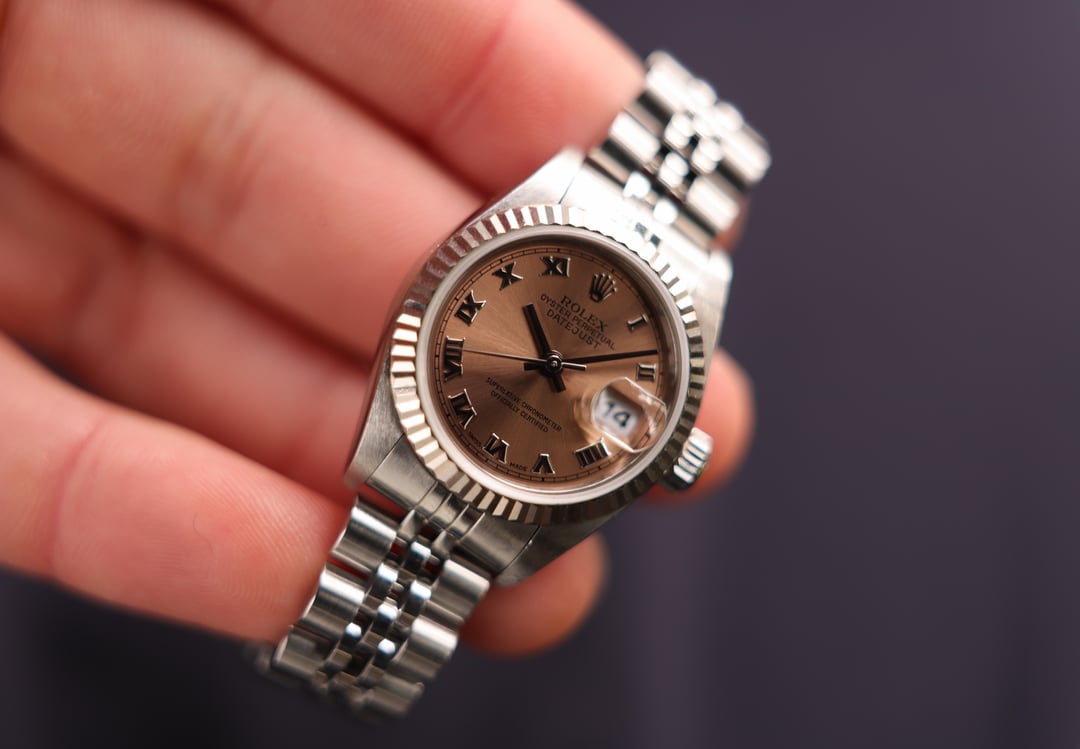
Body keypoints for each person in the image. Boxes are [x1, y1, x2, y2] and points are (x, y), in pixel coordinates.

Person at [0, 0, 753, 662]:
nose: (554, 365)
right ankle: (350, 674)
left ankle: (350, 673)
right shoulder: (551, 208)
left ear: (667, 452)